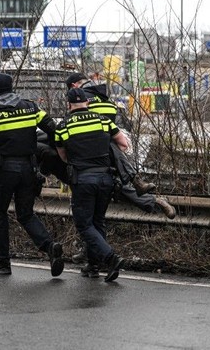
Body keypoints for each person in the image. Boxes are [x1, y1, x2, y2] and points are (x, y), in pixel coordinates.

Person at [0, 73, 65, 277]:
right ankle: (49, 247)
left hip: (5, 172)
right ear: (11, 87)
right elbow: (52, 129)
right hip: (29, 170)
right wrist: (63, 153)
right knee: (26, 214)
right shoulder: (30, 107)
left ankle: (3, 263)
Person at [63, 72, 175, 220]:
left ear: (73, 86)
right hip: (110, 151)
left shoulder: (81, 100)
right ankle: (149, 194)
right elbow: (120, 139)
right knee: (118, 184)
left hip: (90, 156)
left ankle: (147, 193)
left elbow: (76, 130)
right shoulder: (105, 98)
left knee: (113, 188)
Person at [55, 87, 126, 282]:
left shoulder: (63, 126)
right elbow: (123, 143)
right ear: (87, 102)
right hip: (105, 179)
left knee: (84, 224)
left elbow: (63, 157)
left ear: (69, 105)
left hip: (83, 180)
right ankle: (94, 265)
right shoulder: (103, 120)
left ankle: (110, 258)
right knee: (98, 221)